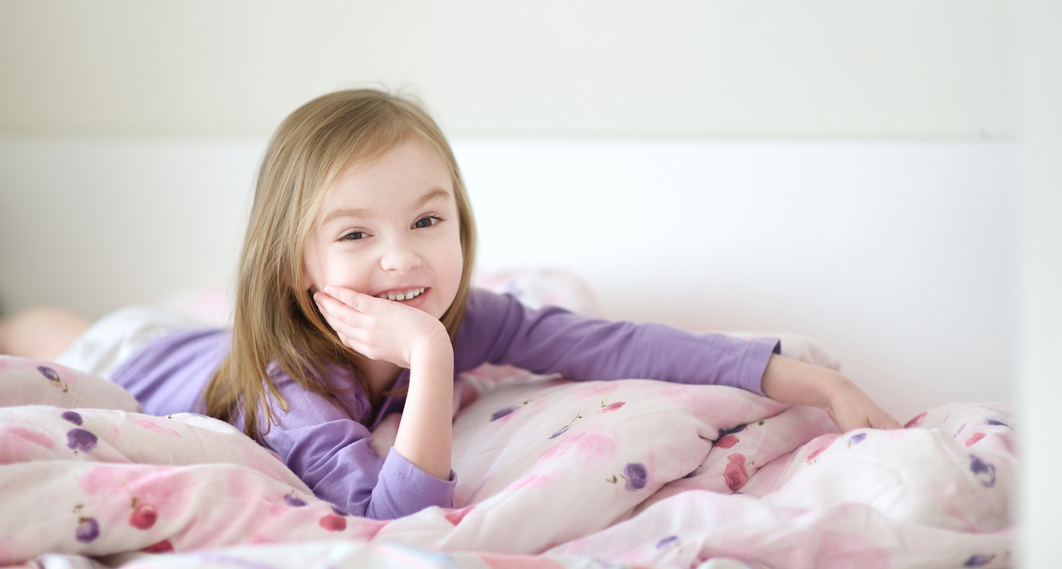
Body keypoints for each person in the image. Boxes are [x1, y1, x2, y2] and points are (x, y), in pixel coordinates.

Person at [0, 89, 901, 520]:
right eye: (356, 234)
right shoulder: (288, 396)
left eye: (427, 221)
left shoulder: (472, 312)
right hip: (142, 355)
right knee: (64, 334)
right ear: (294, 263)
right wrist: (429, 357)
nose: (402, 258)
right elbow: (393, 514)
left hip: (195, 336)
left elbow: (614, 345)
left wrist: (811, 381)